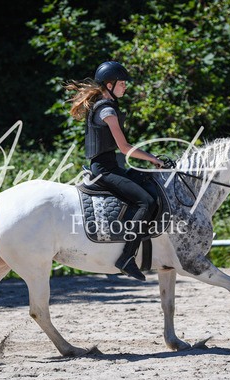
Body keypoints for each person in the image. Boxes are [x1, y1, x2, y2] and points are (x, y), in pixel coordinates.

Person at [65, 61, 164, 281]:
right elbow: (125, 148)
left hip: (112, 167)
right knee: (146, 202)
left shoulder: (104, 105)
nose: (125, 86)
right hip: (105, 170)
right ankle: (126, 257)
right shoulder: (107, 110)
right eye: (122, 83)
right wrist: (154, 159)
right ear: (109, 85)